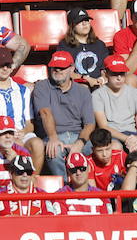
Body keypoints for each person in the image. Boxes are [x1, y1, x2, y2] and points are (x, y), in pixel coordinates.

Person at [33, 50, 96, 179]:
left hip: (78, 135)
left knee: (99, 149)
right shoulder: (42, 86)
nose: (58, 70)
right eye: (55, 67)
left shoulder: (83, 91)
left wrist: (80, 143)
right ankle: (64, 189)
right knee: (54, 152)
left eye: (62, 68)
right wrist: (53, 138)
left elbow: (90, 124)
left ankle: (90, 192)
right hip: (54, 136)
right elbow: (45, 113)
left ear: (71, 68)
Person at [92, 56, 137, 152]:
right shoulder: (97, 95)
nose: (119, 78)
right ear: (105, 74)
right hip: (111, 135)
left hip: (133, 134)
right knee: (115, 147)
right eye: (114, 74)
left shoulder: (135, 93)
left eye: (122, 74)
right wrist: (128, 140)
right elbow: (104, 126)